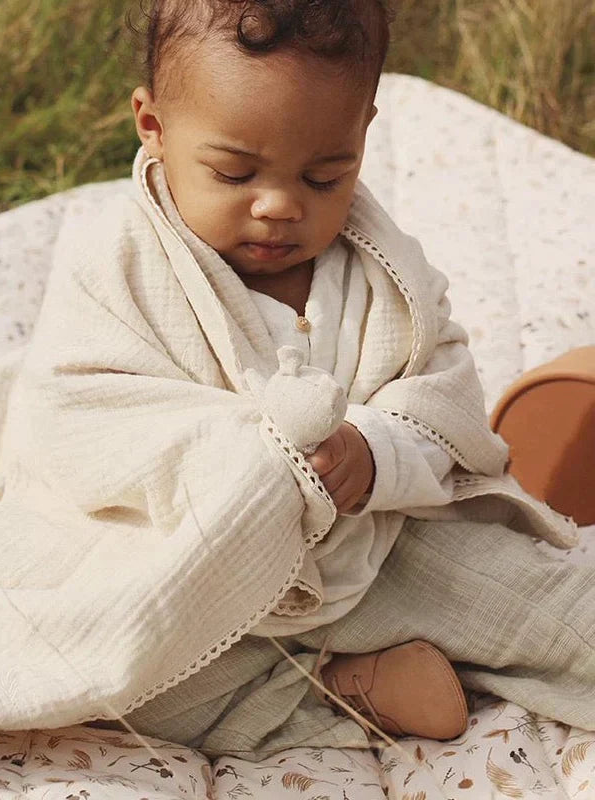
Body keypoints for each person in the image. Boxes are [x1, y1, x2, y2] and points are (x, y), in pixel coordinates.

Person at [81, 0, 595, 758]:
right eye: (233, 171)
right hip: (203, 565)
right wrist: (252, 465)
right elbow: (85, 413)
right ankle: (348, 682)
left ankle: (365, 657)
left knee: (552, 604)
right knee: (111, 671)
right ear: (153, 126)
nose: (280, 205)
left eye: (326, 175)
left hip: (379, 546)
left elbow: (442, 394)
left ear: (364, 131)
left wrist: (376, 451)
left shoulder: (383, 269)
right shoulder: (120, 264)